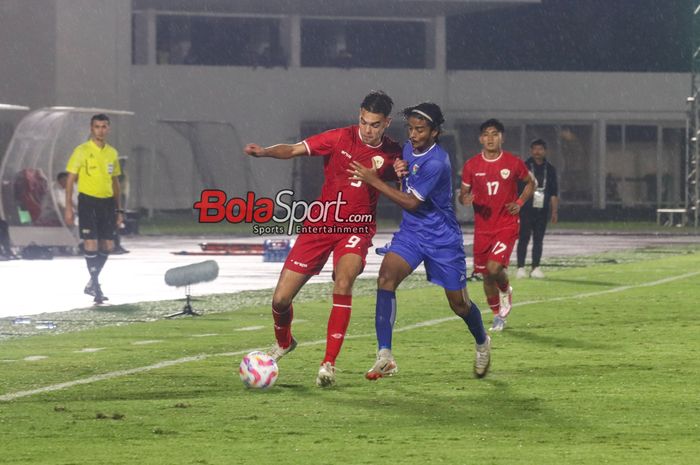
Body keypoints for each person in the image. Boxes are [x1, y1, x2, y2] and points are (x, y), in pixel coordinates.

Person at [243, 90, 401, 387]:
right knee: (280, 300)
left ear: (387, 123)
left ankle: (328, 363)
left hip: (356, 228)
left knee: (344, 282)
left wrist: (401, 173)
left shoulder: (394, 153)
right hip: (320, 224)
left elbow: (408, 181)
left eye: (375, 125)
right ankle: (284, 342)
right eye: (365, 122)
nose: (368, 130)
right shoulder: (339, 138)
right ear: (359, 116)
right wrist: (264, 152)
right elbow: (292, 150)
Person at [349, 102, 491, 380]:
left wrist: (374, 180)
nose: (413, 135)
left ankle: (482, 341)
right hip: (412, 234)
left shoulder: (437, 162)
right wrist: (398, 168)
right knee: (385, 278)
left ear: (435, 132)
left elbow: (412, 202)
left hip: (442, 239)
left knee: (459, 305)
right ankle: (385, 355)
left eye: (420, 130)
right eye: (411, 129)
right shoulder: (406, 149)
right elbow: (403, 173)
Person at [460, 119, 534, 332]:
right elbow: (463, 194)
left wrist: (519, 203)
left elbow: (531, 183)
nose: (490, 138)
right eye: (486, 134)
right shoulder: (471, 165)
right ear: (480, 138)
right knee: (485, 275)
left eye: (494, 134)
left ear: (502, 137)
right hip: (483, 228)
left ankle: (505, 289)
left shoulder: (513, 162)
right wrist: (464, 199)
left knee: (494, 269)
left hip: (506, 224)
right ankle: (497, 315)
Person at [64, 114, 124, 304]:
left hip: (106, 203)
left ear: (109, 129)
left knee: (108, 245)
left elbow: (115, 181)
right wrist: (68, 207)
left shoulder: (112, 153)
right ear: (91, 129)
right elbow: (70, 180)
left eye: (104, 126)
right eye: (97, 126)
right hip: (88, 201)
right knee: (91, 243)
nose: (101, 130)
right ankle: (96, 286)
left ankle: (92, 282)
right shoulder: (81, 151)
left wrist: (119, 209)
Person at [516, 139, 559, 279]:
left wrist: (554, 211)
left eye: (540, 149)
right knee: (523, 238)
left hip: (542, 210)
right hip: (526, 209)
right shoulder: (524, 166)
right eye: (534, 149)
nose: (537, 152)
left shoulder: (550, 169)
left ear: (545, 151)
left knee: (538, 239)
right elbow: (517, 189)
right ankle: (520, 267)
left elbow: (553, 192)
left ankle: (535, 267)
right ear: (531, 150)